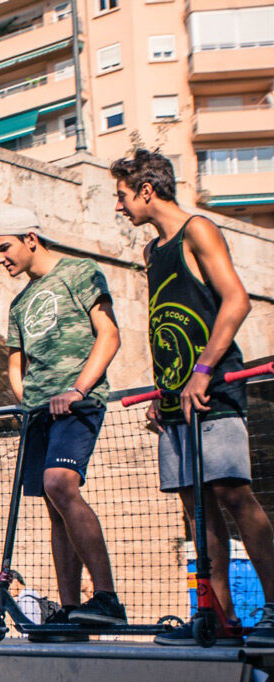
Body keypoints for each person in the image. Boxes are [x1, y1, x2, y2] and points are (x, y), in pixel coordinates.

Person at [110, 149, 274, 647]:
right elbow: (164, 326)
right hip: (175, 399)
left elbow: (237, 300)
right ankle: (217, 619)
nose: (119, 207)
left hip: (215, 384)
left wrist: (202, 371)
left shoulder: (197, 230)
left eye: (121, 195)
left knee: (231, 493)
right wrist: (164, 394)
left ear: (146, 190)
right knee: (195, 507)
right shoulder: (150, 252)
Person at [0, 206, 126, 638]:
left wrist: (78, 390)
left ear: (31, 238)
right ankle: (70, 610)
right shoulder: (19, 302)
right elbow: (15, 362)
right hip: (39, 413)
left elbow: (109, 334)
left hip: (77, 403)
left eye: (4, 247)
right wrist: (26, 399)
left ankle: (106, 597)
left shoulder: (80, 272)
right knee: (53, 509)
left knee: (60, 484)